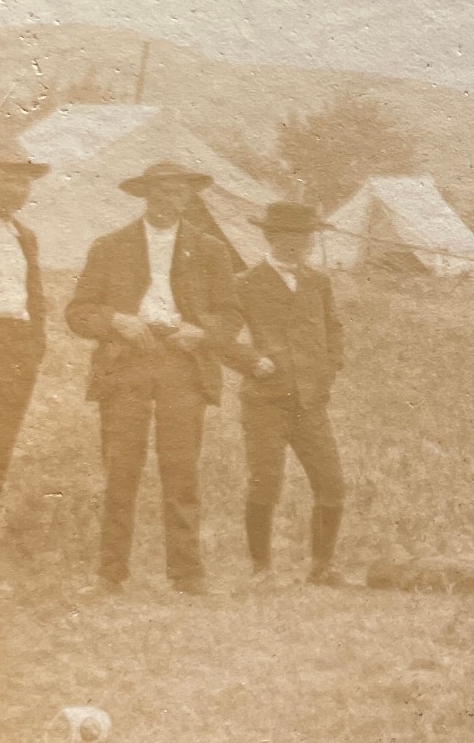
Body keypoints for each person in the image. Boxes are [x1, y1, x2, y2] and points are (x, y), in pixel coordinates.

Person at [66, 161, 242, 596]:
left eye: (180, 192)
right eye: (161, 191)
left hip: (183, 365)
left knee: (181, 469)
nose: (170, 200)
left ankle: (187, 574)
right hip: (126, 364)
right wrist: (115, 320)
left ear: (189, 198)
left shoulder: (210, 249)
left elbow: (231, 314)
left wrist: (202, 332)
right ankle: (110, 575)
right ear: (145, 194)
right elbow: (78, 312)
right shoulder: (110, 247)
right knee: (121, 469)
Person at [227, 202, 347, 586]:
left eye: (305, 237)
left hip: (311, 402)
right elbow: (220, 335)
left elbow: (333, 330)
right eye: (289, 237)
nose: (298, 245)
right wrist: (250, 361)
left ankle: (321, 566)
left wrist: (328, 371)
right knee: (266, 481)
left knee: (331, 484)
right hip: (265, 401)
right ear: (271, 237)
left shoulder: (318, 281)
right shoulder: (245, 282)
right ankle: (261, 569)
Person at [0, 142, 51, 567]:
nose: (19, 188)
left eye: (25, 180)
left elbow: (34, 298)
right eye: (10, 177)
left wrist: (36, 346)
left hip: (17, 350)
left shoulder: (25, 235)